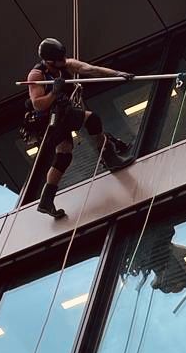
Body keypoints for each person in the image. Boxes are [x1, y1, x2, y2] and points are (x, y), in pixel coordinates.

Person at [27, 37, 135, 219]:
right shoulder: (37, 76)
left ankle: (46, 199)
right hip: (49, 120)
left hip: (62, 114)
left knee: (64, 155)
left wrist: (117, 73)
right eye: (59, 60)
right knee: (92, 119)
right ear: (49, 61)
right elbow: (38, 104)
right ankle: (109, 158)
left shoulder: (66, 65)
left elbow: (90, 69)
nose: (63, 61)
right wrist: (54, 91)